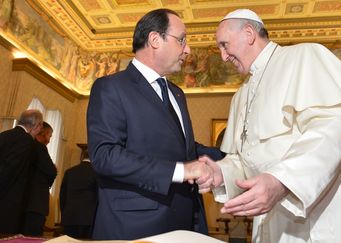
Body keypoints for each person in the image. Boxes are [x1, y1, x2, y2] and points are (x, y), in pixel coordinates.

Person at [197, 9, 341, 243]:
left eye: (225, 45)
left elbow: (333, 128)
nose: (223, 56)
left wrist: (282, 181)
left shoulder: (303, 56)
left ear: (248, 34)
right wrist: (221, 172)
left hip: (332, 209)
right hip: (277, 216)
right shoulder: (240, 95)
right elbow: (247, 159)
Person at [86, 8, 224, 240]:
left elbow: (186, 148)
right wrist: (182, 170)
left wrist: (233, 158)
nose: (188, 49)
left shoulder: (177, 93)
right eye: (182, 40)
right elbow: (105, 155)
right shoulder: (111, 87)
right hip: (135, 226)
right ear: (154, 39)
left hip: (184, 222)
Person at [0, 109, 43, 234]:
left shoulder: (4, 134)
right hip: (9, 201)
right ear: (36, 125)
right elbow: (10, 170)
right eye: (41, 126)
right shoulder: (26, 140)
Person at [22, 122, 57, 236]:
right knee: (32, 237)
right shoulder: (40, 147)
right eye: (50, 136)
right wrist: (54, 169)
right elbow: (51, 171)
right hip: (35, 202)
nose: (49, 140)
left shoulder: (27, 145)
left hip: (23, 200)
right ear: (44, 133)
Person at [60, 149, 98, 239]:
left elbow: (62, 196)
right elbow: (98, 197)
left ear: (81, 157)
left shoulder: (69, 172)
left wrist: (64, 214)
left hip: (69, 217)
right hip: (89, 218)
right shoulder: (96, 173)